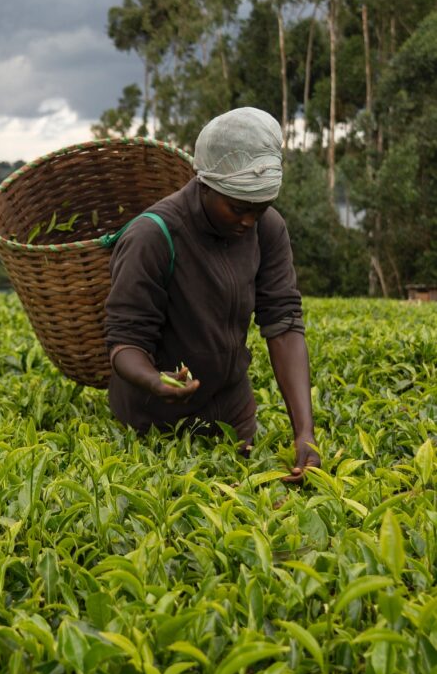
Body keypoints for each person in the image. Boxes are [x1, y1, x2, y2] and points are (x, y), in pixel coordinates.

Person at [104, 107, 320, 482]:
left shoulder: (267, 228)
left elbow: (283, 323)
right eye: (238, 208)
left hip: (232, 414)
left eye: (260, 208)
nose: (249, 221)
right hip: (153, 422)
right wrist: (156, 381)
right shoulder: (152, 236)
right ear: (205, 185)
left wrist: (305, 433)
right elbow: (125, 343)